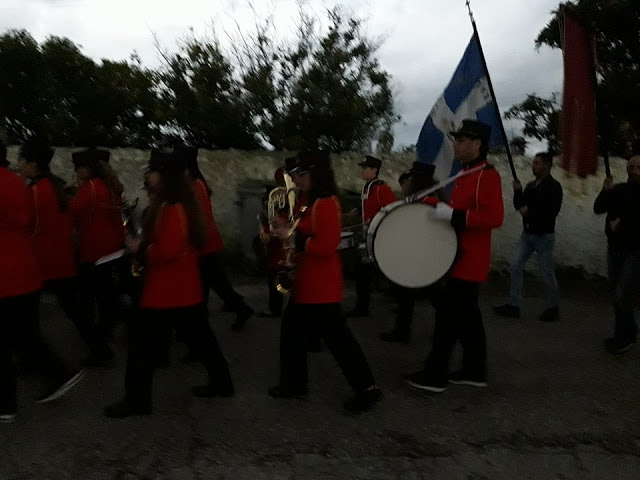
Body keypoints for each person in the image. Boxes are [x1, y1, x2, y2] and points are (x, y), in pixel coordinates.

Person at [104, 151, 233, 418]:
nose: (147, 177)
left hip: (166, 290)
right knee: (202, 339)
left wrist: (141, 247)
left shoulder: (172, 207)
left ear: (163, 176)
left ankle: (137, 400)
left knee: (141, 347)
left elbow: (168, 251)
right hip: (183, 289)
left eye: (151, 172)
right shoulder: (177, 202)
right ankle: (223, 383)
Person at [268, 151, 383, 413]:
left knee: (338, 340)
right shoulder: (309, 200)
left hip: (321, 286)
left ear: (317, 174)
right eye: (296, 175)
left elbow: (327, 245)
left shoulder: (326, 203)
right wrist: (283, 224)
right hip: (308, 282)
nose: (297, 179)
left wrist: (292, 237)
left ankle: (367, 389)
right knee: (294, 333)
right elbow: (302, 228)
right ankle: (295, 384)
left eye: (302, 174)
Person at [405, 119, 504, 393]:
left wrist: (455, 215)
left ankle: (436, 374)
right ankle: (475, 370)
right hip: (457, 256)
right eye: (457, 140)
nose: (456, 145)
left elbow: (495, 217)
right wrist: (440, 209)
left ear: (477, 145)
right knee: (468, 318)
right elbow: (458, 209)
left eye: (461, 141)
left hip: (469, 259)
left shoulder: (487, 175)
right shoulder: (466, 173)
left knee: (447, 319)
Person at [1, 141, 84, 424]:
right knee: (25, 335)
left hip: (6, 274)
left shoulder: (30, 186)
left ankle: (6, 404)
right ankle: (59, 373)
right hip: (26, 269)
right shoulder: (19, 184)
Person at [17, 140, 112, 363]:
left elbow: (31, 228)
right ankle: (101, 350)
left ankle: (38, 361)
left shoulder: (36, 190)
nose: (20, 165)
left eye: (23, 161)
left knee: (28, 315)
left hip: (44, 263)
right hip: (61, 260)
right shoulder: (54, 186)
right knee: (74, 312)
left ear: (33, 165)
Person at [175, 145, 254, 331]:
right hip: (207, 244)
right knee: (218, 285)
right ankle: (240, 309)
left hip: (204, 245)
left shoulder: (195, 186)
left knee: (208, 289)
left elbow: (197, 218)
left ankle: (199, 329)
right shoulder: (197, 184)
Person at [68, 148, 125, 364]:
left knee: (92, 297)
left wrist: (70, 190)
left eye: (78, 168)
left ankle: (99, 343)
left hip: (94, 249)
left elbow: (73, 209)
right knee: (106, 296)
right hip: (110, 247)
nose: (76, 172)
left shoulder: (90, 187)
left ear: (86, 169)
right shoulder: (108, 186)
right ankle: (104, 334)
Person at [494, 152, 563, 322]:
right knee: (515, 265)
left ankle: (553, 307)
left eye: (537, 163)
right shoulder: (531, 186)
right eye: (533, 163)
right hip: (528, 234)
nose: (534, 166)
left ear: (547, 165)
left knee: (546, 272)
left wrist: (530, 213)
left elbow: (552, 212)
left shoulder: (554, 187)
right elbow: (520, 205)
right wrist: (517, 192)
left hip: (544, 236)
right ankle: (514, 305)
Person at [379, 162, 444, 344]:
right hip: (417, 254)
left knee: (437, 298)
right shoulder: (421, 199)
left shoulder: (429, 201)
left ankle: (446, 332)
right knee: (406, 294)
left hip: (425, 256)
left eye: (412, 177)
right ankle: (402, 331)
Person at [593, 155, 640, 354]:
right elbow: (599, 208)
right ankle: (625, 333)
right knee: (618, 295)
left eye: (639, 166)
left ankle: (627, 334)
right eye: (631, 166)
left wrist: (622, 223)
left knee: (621, 293)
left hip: (636, 251)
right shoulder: (619, 190)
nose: (635, 169)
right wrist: (605, 190)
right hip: (615, 249)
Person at [346, 155, 397, 317]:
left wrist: (374, 221)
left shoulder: (381, 188)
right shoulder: (368, 187)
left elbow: (391, 209)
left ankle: (366, 306)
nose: (362, 171)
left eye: (365, 168)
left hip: (379, 236)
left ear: (374, 170)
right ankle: (363, 306)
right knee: (364, 273)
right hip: (369, 235)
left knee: (374, 271)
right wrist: (359, 212)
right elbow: (370, 206)